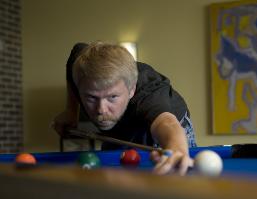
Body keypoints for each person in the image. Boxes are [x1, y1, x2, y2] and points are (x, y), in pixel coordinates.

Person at [53, 41, 197, 175]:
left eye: (112, 97)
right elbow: (75, 54)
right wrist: (70, 112)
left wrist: (177, 149)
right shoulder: (81, 67)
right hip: (121, 127)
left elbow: (166, 123)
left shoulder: (149, 96)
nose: (101, 110)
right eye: (91, 97)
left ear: (131, 90)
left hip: (164, 132)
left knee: (172, 174)